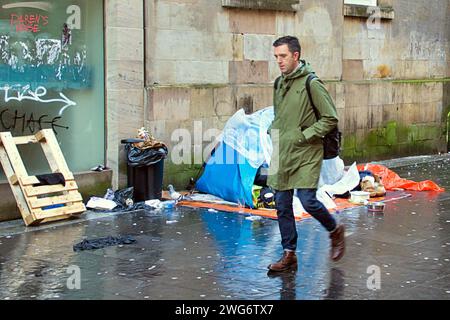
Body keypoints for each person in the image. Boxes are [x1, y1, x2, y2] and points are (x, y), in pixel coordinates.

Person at [267, 36, 345, 272]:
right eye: (276, 57)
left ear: (295, 56)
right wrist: (273, 129)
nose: (279, 61)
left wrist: (305, 135)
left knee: (307, 200)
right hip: (283, 150)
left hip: (306, 151)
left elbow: (330, 118)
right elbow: (280, 113)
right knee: (281, 204)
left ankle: (335, 231)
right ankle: (289, 254)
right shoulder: (279, 84)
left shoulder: (312, 83)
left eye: (283, 56)